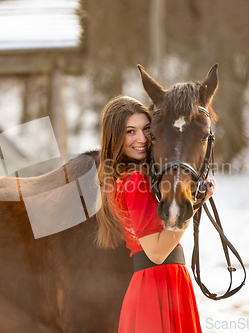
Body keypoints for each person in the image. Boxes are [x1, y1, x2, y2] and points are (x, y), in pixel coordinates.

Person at [95, 96, 215, 333]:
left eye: (146, 129)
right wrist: (192, 205)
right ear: (115, 137)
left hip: (164, 283)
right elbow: (157, 252)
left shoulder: (134, 177)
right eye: (130, 131)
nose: (141, 139)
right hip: (157, 286)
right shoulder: (135, 180)